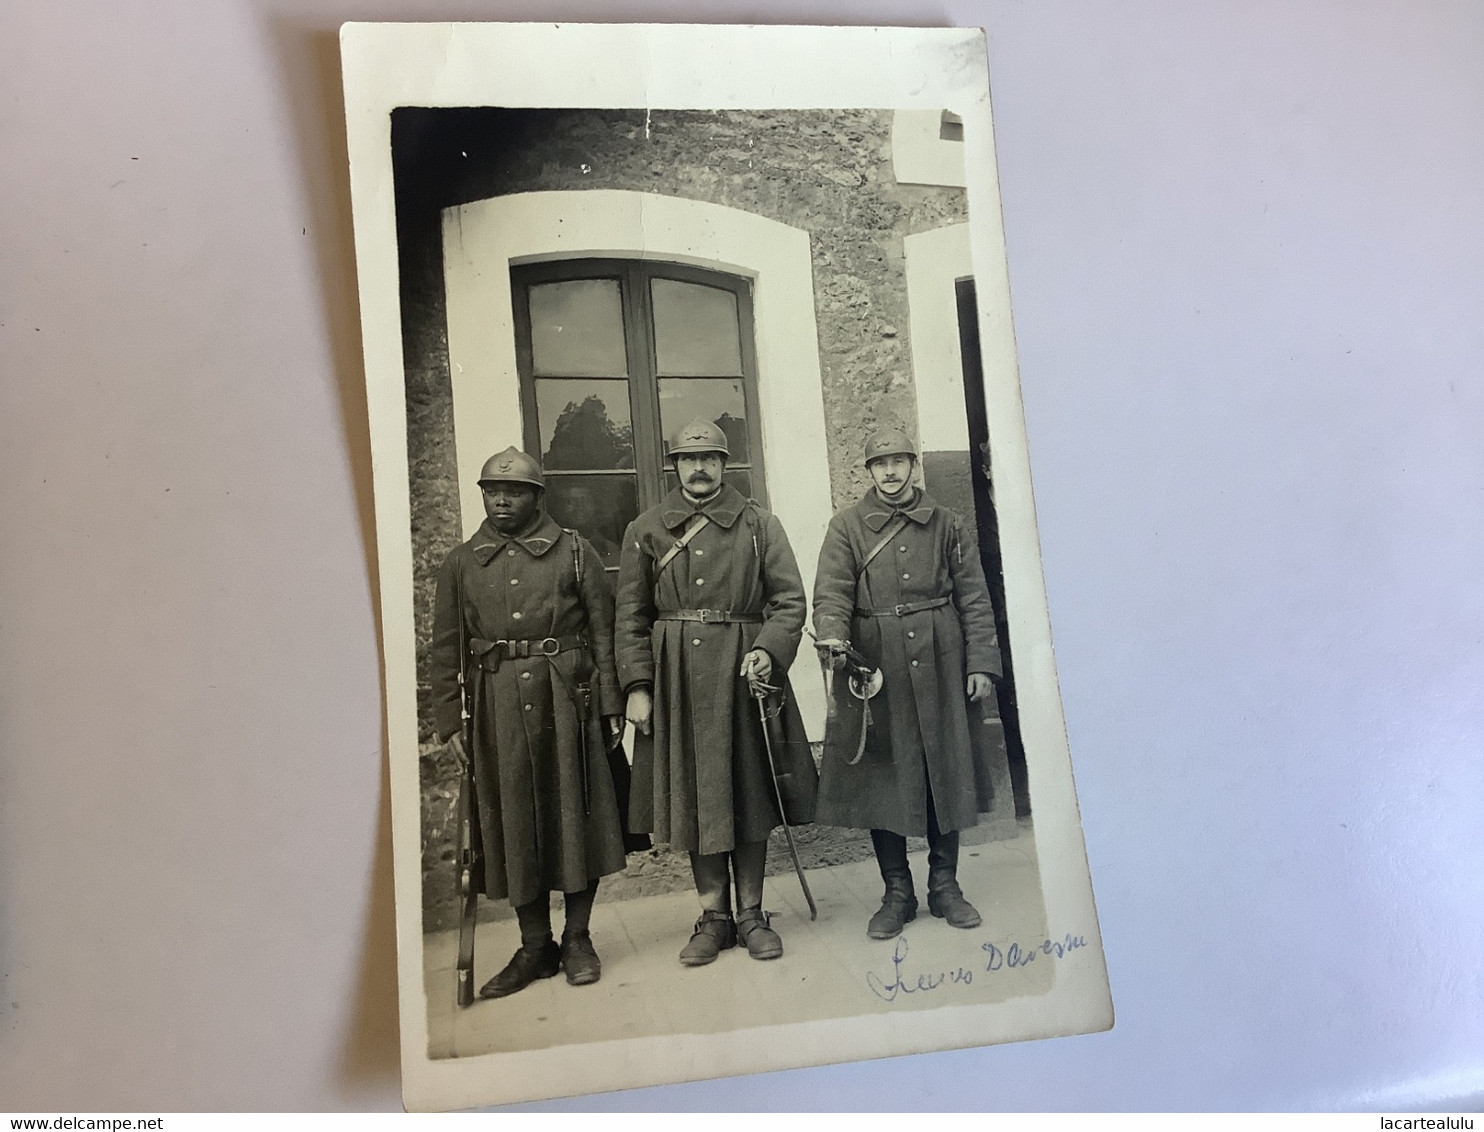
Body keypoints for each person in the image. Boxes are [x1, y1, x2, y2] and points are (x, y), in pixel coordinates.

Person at [430, 447, 629, 998]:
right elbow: (445, 647)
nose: (500, 500)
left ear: (537, 497)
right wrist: (450, 720)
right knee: (515, 822)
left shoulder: (576, 554)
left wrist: (611, 705)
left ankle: (578, 939)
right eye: (491, 490)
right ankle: (535, 945)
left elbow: (604, 633)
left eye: (513, 491)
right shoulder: (462, 562)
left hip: (570, 700)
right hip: (494, 709)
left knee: (577, 815)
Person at [615, 419, 810, 966]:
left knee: (748, 791)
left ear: (726, 465)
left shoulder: (760, 526)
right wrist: (637, 685)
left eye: (710, 459)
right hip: (675, 675)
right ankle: (713, 917)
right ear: (674, 466)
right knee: (695, 796)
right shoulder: (646, 529)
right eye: (687, 459)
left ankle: (751, 913)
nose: (699, 469)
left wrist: (768, 650)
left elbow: (790, 601)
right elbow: (629, 616)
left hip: (743, 674)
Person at [812, 427, 1003, 939]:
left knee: (946, 765)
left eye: (899, 461)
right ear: (868, 472)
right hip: (876, 667)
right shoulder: (847, 526)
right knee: (884, 777)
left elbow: (975, 599)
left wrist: (981, 663)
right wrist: (832, 636)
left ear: (913, 466)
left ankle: (945, 886)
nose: (890, 472)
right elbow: (831, 592)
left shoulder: (949, 524)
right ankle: (897, 892)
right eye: (880, 464)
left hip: (942, 658)